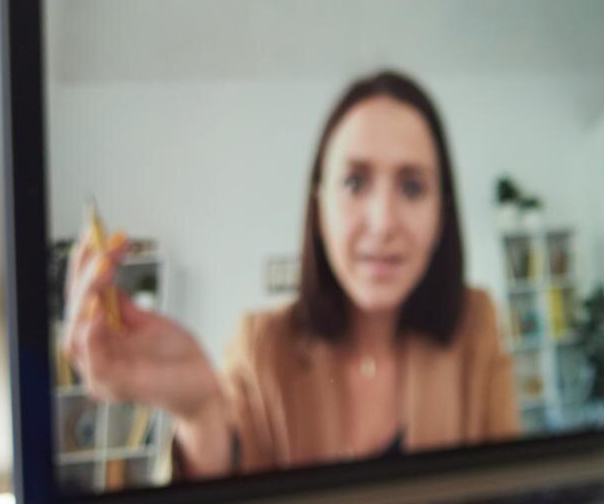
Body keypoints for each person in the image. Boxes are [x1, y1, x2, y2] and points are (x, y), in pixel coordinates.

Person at [62, 70, 520, 480]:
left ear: (441, 214)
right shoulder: (261, 348)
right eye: (355, 182)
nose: (383, 222)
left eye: (413, 187)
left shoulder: (477, 328)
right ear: (319, 207)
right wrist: (198, 412)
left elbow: (511, 494)